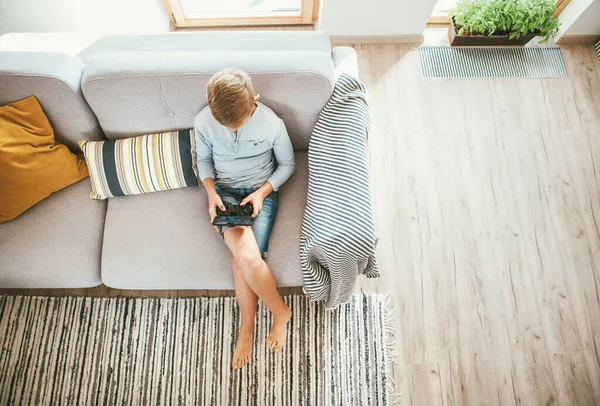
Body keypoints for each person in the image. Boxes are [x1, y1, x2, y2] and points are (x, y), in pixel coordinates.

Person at [194, 69, 296, 370]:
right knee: (247, 257)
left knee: (244, 260)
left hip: (259, 190)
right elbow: (203, 161)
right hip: (223, 192)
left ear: (255, 100)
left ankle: (249, 328)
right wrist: (211, 193)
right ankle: (278, 312)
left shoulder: (272, 123)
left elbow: (288, 165)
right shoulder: (204, 121)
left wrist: (263, 193)